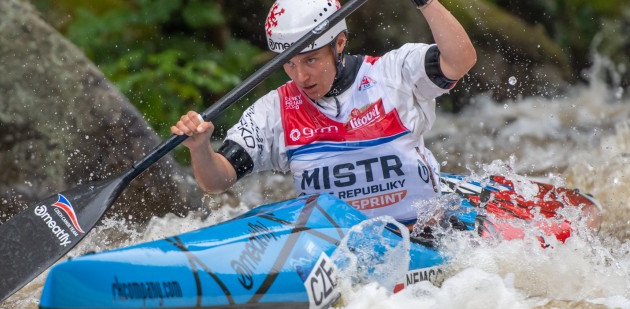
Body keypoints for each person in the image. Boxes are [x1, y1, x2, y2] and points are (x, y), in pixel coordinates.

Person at [171, 0, 476, 228]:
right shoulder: (274, 110)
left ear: (340, 43)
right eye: (289, 64)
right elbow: (217, 181)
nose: (300, 76)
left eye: (311, 60)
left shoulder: (392, 74)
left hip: (425, 234)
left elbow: (460, 60)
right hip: (337, 254)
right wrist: (200, 149)